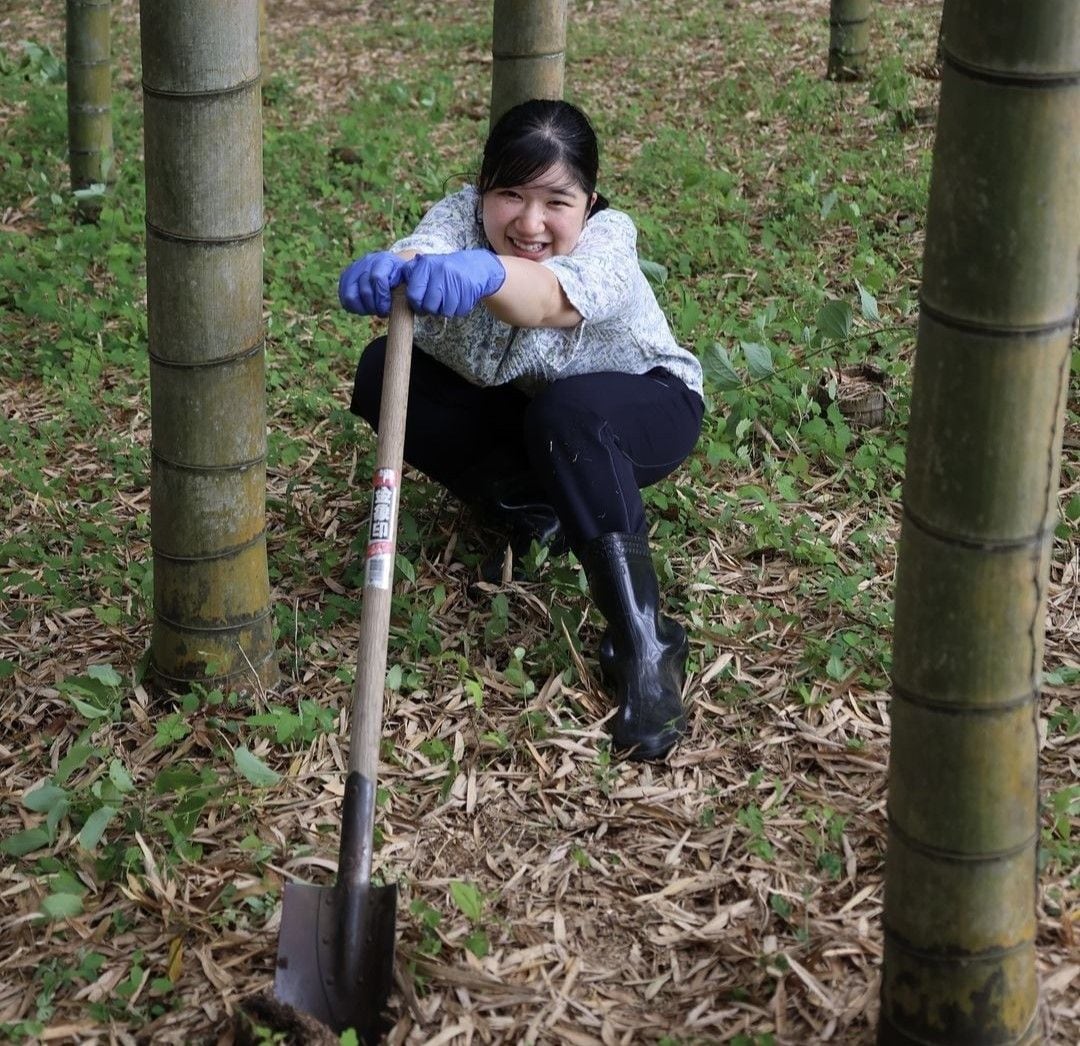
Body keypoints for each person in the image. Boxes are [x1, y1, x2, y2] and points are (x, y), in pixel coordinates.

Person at [339, 99, 704, 761]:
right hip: (532, 412)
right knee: (383, 369)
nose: (530, 222)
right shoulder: (459, 215)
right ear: (482, 190)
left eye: (555, 201)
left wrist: (486, 273)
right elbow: (427, 246)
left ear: (588, 203)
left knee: (567, 414)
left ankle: (647, 642)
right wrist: (396, 268)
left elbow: (547, 300)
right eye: (509, 194)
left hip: (642, 410)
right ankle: (540, 511)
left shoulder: (609, 240)